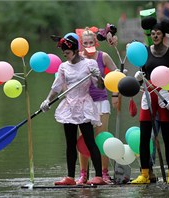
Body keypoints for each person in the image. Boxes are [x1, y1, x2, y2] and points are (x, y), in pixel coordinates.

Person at [40, 35, 106, 185]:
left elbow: (100, 87)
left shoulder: (90, 64)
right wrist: (47, 101)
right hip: (68, 106)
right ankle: (70, 177)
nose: (66, 56)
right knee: (70, 143)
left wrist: (99, 77)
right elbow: (56, 87)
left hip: (84, 105)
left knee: (90, 141)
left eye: (68, 53)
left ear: (76, 51)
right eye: (64, 54)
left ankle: (98, 176)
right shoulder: (63, 66)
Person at [131, 16, 169, 184]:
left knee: (168, 136)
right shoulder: (145, 52)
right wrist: (138, 77)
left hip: (166, 96)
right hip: (148, 95)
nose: (155, 36)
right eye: (153, 33)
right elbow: (142, 76)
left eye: (158, 33)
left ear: (163, 35)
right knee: (145, 136)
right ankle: (145, 174)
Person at [74, 27, 118, 184]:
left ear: (95, 43)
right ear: (81, 44)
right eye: (85, 43)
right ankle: (83, 175)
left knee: (102, 139)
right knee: (83, 139)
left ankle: (104, 174)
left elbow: (117, 75)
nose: (88, 45)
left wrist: (115, 95)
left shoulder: (103, 56)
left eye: (91, 42)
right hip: (83, 103)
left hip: (101, 102)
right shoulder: (77, 58)